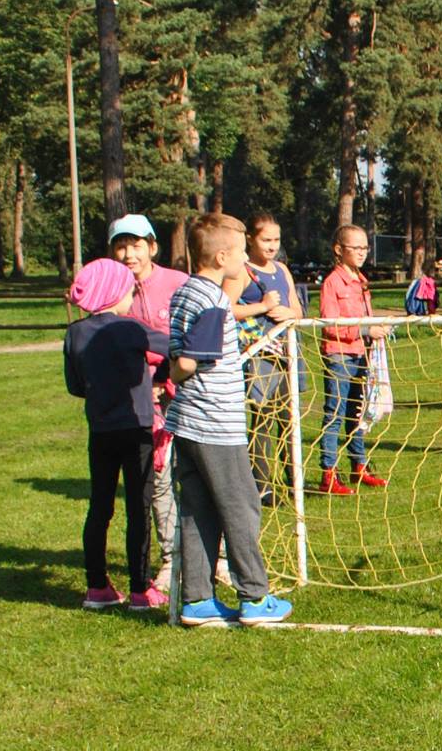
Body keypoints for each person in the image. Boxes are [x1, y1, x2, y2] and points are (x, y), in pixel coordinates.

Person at [166, 214, 292, 627]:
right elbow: (188, 361)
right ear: (222, 257)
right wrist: (177, 373)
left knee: (198, 508)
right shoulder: (213, 300)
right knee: (241, 506)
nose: (245, 259)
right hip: (215, 424)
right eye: (240, 252)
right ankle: (254, 596)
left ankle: (197, 599)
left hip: (187, 423)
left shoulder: (185, 292)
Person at [64, 259, 169, 610]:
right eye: (129, 292)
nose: (132, 298)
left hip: (101, 429)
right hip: (136, 428)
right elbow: (172, 348)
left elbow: (74, 385)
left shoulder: (75, 333)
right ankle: (141, 589)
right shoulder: (131, 328)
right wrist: (159, 380)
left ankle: (97, 586)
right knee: (139, 508)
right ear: (114, 293)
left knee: (100, 506)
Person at [108, 213, 189, 592]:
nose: (129, 254)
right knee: (157, 479)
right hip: (143, 402)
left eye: (136, 245)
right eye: (121, 246)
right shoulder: (111, 292)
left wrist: (166, 378)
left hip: (187, 392)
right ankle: (171, 558)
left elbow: (192, 339)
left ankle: (218, 557)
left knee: (199, 474)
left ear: (152, 247)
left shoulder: (177, 283)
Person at [233, 213, 305, 505]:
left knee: (290, 420)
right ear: (250, 239)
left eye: (276, 239)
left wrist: (289, 313)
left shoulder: (282, 270)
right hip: (259, 355)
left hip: (288, 354)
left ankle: (295, 483)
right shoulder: (241, 271)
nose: (272, 245)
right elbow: (226, 308)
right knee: (262, 422)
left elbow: (298, 309)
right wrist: (261, 307)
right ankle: (262, 486)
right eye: (266, 240)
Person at [318, 224, 391, 496]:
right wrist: (365, 330)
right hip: (339, 355)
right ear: (339, 250)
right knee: (335, 414)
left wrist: (375, 329)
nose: (362, 252)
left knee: (356, 413)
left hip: (361, 354)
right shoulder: (332, 282)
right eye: (355, 247)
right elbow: (330, 324)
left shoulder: (361, 280)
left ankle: (359, 465)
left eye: (365, 247)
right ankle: (328, 473)